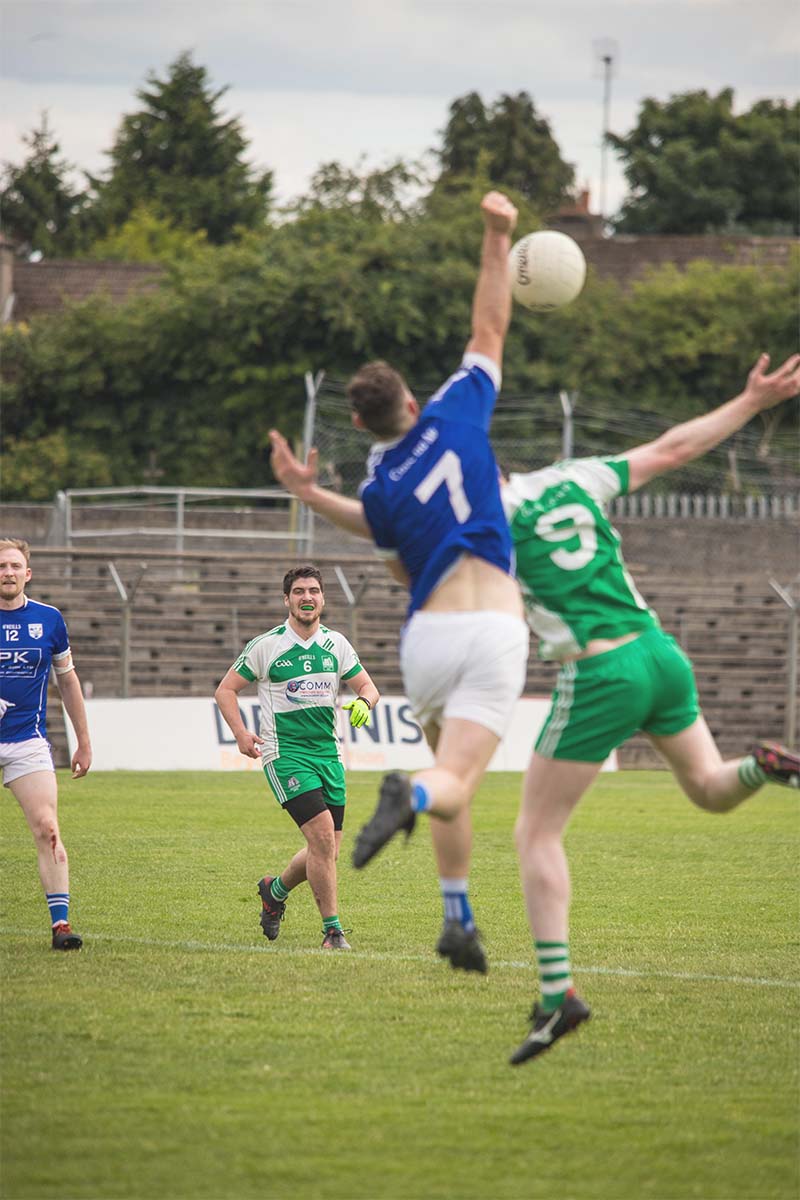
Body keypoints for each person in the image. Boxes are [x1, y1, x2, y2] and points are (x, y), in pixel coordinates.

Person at [503, 350, 800, 1064]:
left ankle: (557, 995)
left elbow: (393, 541)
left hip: (600, 670)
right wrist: (752, 401)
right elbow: (674, 448)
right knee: (711, 789)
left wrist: (314, 496)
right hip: (659, 652)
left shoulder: (484, 518)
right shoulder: (573, 477)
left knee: (535, 833)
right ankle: (763, 764)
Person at [268, 190, 530, 974]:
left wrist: (310, 494)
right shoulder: (457, 411)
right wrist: (496, 235)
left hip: (426, 639)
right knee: (450, 782)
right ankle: (408, 798)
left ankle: (458, 916)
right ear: (414, 400)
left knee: (451, 773)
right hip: (492, 626)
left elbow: (392, 560)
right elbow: (489, 326)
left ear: (357, 424)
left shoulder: (379, 491)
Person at [215, 565, 380, 950]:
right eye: (300, 591)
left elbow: (368, 686)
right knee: (321, 836)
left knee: (328, 850)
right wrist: (240, 733)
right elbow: (226, 690)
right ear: (286, 599)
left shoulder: (336, 644)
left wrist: (364, 703)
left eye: (314, 591)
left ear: (322, 598)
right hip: (286, 754)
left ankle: (274, 891)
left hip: (328, 755)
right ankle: (332, 931)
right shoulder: (267, 646)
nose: (307, 597)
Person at [0, 537, 92, 950]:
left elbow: (67, 680)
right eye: (1, 566)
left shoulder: (49, 619)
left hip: (27, 741)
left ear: (28, 573)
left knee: (48, 828)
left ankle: (61, 925)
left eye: (14, 566)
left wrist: (83, 741)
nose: (7, 572)